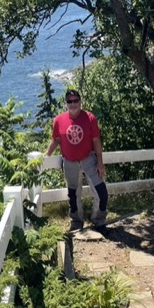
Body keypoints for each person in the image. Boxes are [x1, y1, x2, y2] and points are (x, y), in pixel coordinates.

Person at [45, 89, 109, 228]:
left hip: (89, 159)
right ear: (66, 103)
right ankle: (77, 221)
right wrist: (45, 158)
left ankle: (99, 221)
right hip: (69, 162)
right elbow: (55, 140)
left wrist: (100, 163)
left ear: (80, 101)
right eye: (70, 101)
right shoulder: (58, 120)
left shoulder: (90, 118)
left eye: (75, 100)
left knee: (102, 192)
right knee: (73, 196)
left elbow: (96, 141)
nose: (73, 104)